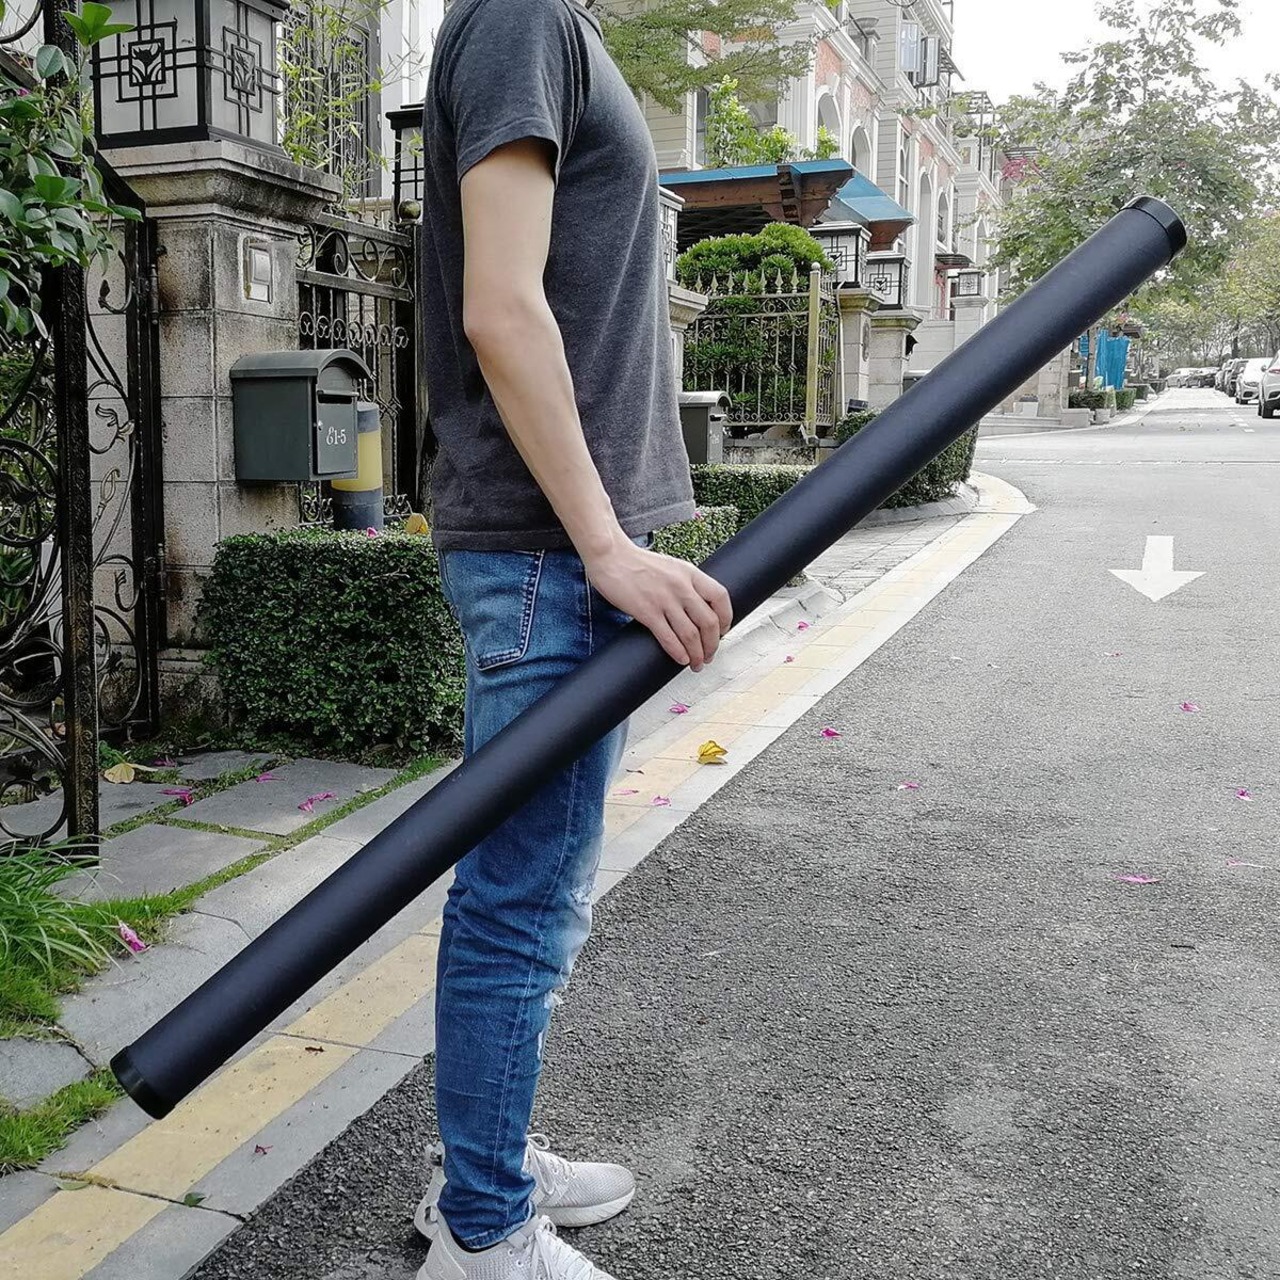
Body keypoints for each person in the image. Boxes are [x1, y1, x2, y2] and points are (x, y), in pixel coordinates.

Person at [414, 1, 733, 1276]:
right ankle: (483, 1227)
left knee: (530, 893)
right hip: (548, 551)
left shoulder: (552, 24)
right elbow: (502, 307)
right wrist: (604, 543)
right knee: (522, 903)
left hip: (558, 546)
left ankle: (481, 1162)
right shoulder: (519, 18)